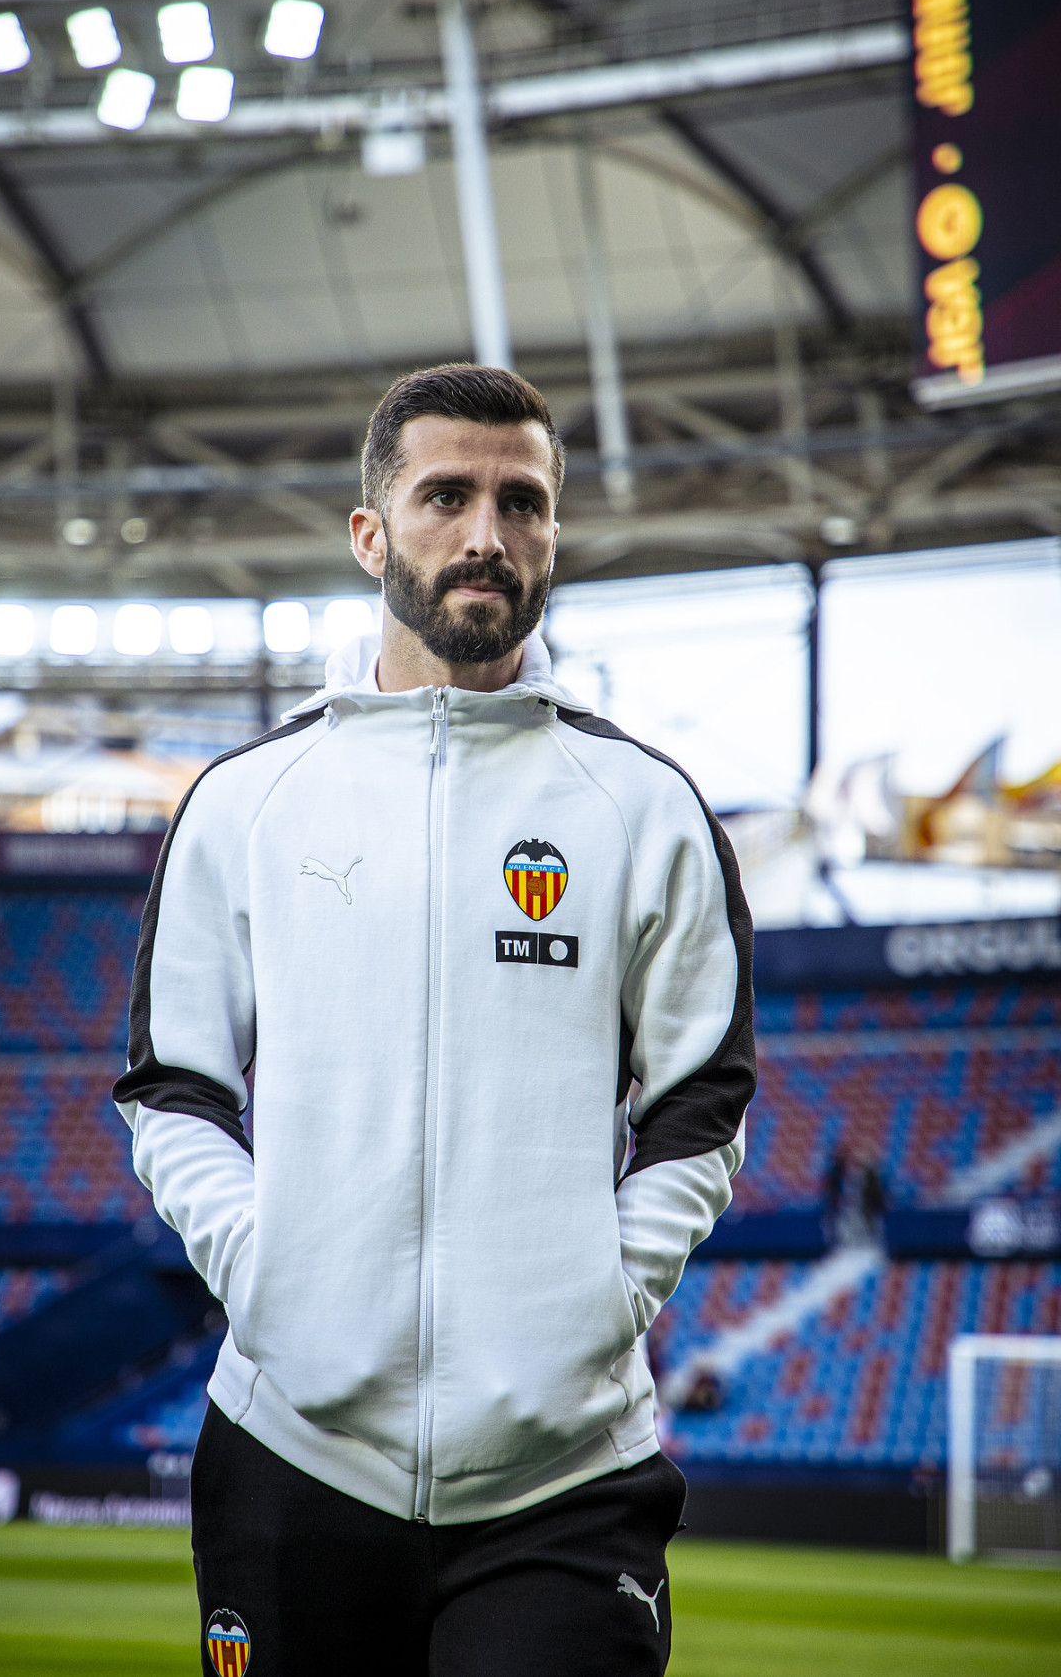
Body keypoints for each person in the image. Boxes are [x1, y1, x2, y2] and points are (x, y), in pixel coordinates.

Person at [114, 365, 755, 1677]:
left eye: (523, 503)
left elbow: (703, 1096)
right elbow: (173, 1084)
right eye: (446, 495)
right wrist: (265, 1268)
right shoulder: (245, 800)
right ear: (370, 533)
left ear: (554, 535)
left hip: (565, 1475)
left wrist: (603, 1295)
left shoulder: (643, 806)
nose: (486, 534)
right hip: (292, 1453)